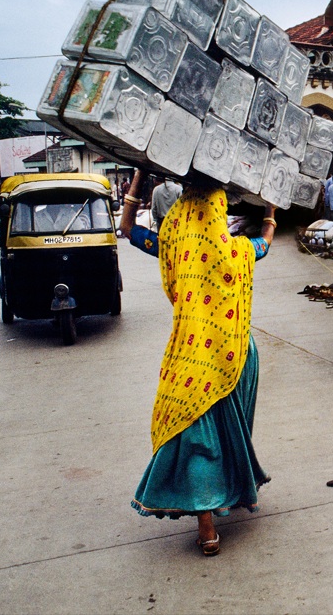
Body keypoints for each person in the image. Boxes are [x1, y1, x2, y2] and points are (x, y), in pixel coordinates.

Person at [118, 168, 275, 557]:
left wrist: (138, 176)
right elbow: (265, 243)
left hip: (189, 355)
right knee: (223, 434)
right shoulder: (236, 250)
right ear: (218, 210)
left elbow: (127, 229)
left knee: (197, 436)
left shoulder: (171, 241)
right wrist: (271, 209)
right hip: (234, 354)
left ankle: (207, 526)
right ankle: (216, 507)